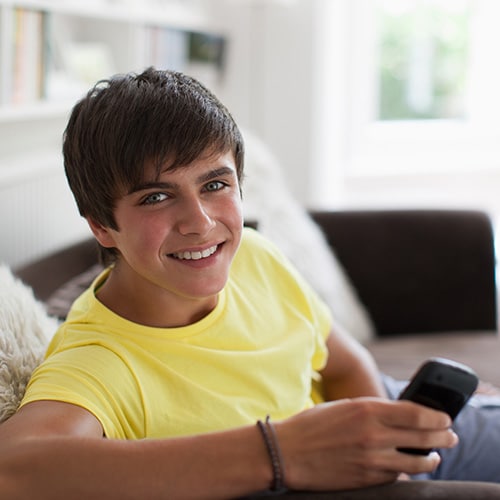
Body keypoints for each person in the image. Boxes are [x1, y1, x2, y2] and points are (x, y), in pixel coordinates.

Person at [0, 67, 495, 499]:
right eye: (155, 197)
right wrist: (279, 452)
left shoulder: (254, 256)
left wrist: (388, 459)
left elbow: (345, 365)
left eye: (215, 185)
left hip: (387, 422)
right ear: (103, 227)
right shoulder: (100, 360)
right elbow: (13, 470)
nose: (199, 222)